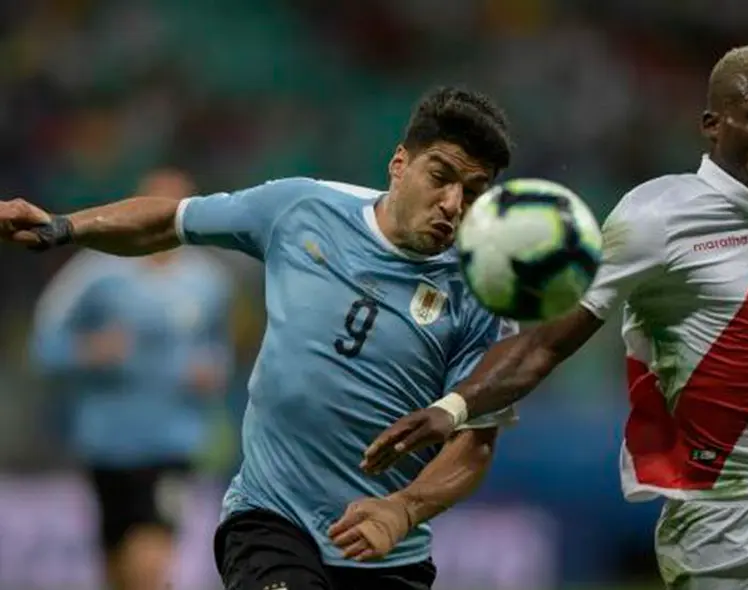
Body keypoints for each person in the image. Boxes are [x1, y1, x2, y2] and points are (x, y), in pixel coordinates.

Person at [362, 23, 748, 590]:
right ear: (713, 125)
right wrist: (456, 407)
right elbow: (546, 343)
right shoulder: (654, 217)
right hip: (716, 529)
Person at [1, 86, 516, 590]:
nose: (453, 203)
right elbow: (172, 220)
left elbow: (475, 444)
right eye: (441, 177)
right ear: (400, 163)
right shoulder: (302, 209)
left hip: (387, 550)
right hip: (271, 519)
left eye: (472, 192)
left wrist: (404, 510)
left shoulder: (485, 293)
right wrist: (64, 225)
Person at [31, 168, 234, 590]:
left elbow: (219, 349)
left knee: (150, 560)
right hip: (108, 442)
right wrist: (87, 351)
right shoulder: (94, 273)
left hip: (173, 443)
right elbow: (44, 346)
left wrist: (212, 369)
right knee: (118, 565)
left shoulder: (208, 281)